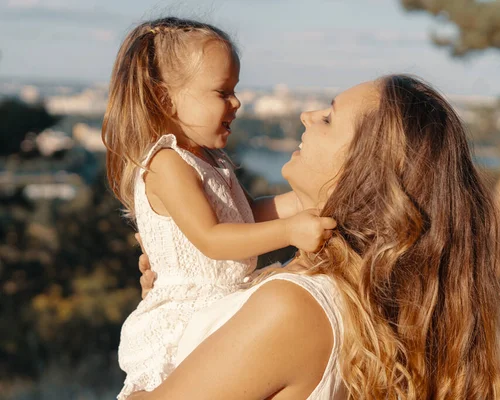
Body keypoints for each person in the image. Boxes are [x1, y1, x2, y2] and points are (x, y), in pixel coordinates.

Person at [132, 75, 500, 399]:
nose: (307, 115)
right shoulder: (351, 294)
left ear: (363, 168)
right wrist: (174, 301)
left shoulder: (294, 305)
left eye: (329, 119)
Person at [101, 17, 336, 399]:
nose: (237, 102)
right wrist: (289, 232)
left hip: (225, 298)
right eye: (222, 92)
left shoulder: (210, 159)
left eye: (235, 90)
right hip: (192, 311)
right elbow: (213, 238)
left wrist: (298, 203)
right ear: (165, 99)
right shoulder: (167, 163)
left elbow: (243, 217)